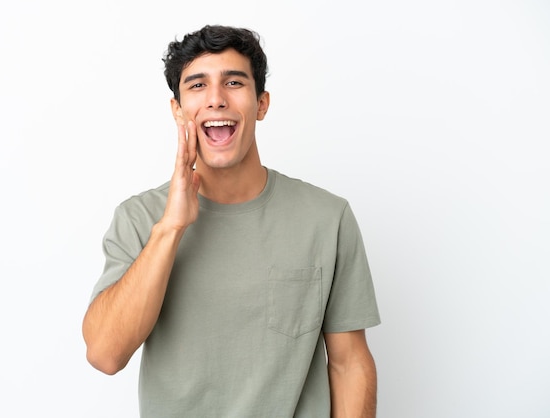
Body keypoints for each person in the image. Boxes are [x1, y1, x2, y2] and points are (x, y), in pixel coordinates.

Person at [82, 24, 381, 418]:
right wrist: (171, 227)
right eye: (197, 85)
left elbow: (348, 363)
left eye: (234, 82)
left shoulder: (327, 217)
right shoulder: (139, 219)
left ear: (261, 103)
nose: (216, 99)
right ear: (178, 110)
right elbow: (105, 354)